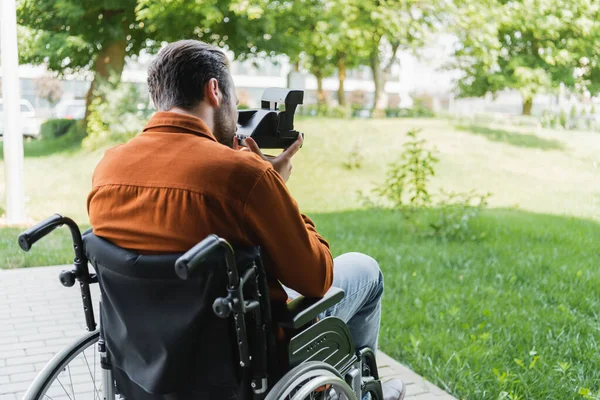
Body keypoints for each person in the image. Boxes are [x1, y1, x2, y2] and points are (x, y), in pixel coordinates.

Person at [87, 39, 405, 400]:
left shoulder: (108, 168)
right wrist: (276, 186)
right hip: (247, 359)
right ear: (214, 90)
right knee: (366, 270)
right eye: (237, 100)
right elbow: (317, 278)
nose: (238, 114)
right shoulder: (242, 175)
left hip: (146, 360)